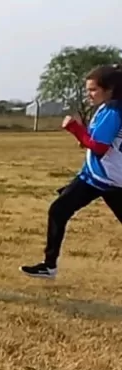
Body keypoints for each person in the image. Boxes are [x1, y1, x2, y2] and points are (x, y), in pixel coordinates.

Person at [20, 64, 122, 279]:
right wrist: (85, 139)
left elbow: (100, 147)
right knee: (59, 209)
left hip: (104, 178)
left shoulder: (112, 111)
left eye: (93, 90)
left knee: (59, 210)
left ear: (110, 88)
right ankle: (48, 266)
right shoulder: (111, 108)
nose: (89, 94)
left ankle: (49, 266)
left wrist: (75, 129)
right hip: (102, 176)